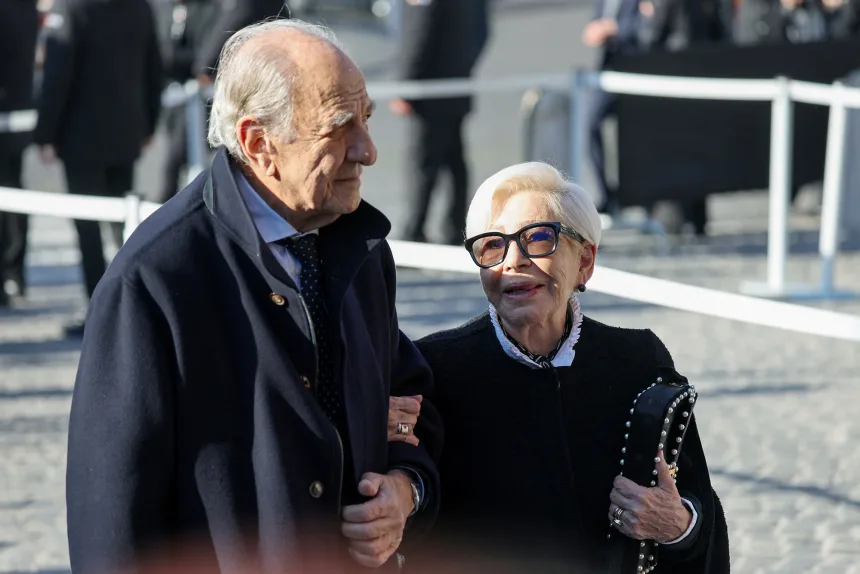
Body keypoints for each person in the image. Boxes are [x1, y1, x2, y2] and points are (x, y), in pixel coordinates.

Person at [66, 19, 442, 573]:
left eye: (366, 119)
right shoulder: (155, 282)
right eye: (340, 126)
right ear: (258, 142)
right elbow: (114, 528)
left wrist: (405, 489)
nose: (367, 150)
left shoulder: (358, 246)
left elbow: (407, 400)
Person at [394, 162, 729, 573]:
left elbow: (697, 506)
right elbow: (405, 516)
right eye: (492, 246)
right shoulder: (434, 369)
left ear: (585, 260)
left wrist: (678, 525)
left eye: (537, 238)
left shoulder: (638, 360)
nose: (513, 261)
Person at [34, 0, 164, 336]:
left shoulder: (73, 8)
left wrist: (46, 132)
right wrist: (149, 123)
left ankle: (100, 309)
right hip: (126, 132)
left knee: (89, 229)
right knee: (124, 226)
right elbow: (154, 67)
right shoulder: (138, 8)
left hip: (82, 138)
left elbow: (57, 74)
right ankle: (132, 304)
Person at [392, 0, 489, 245]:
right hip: (457, 85)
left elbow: (420, 33)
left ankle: (415, 230)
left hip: (431, 90)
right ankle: (455, 227)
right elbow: (482, 33)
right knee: (454, 161)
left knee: (424, 162)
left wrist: (407, 85)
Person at [582, 0, 642, 214]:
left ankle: (640, 196)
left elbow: (649, 25)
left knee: (638, 134)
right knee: (588, 123)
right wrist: (595, 29)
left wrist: (614, 29)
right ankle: (606, 194)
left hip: (638, 66)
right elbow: (596, 20)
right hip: (608, 66)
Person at [0, 0, 39, 306]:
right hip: (20, 110)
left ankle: (9, 275)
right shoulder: (25, 8)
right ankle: (15, 273)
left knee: (9, 194)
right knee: (14, 190)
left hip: (8, 111)